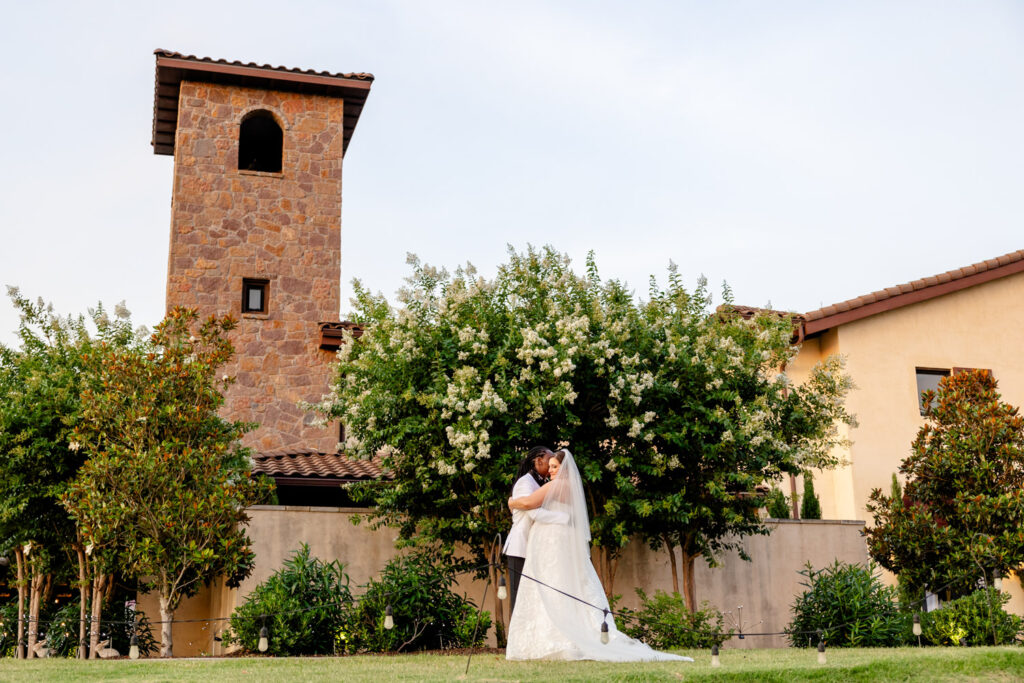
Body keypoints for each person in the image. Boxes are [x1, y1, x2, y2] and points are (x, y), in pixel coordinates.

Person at [505, 449, 692, 662]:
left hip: (553, 542)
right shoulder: (571, 488)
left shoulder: (555, 485)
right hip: (558, 543)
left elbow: (529, 504)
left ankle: (553, 638)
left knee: (551, 584)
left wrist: (511, 502)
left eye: (555, 467)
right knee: (563, 584)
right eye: (550, 468)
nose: (550, 471)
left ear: (564, 468)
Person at [502, 446, 565, 613]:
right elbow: (532, 511)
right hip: (521, 547)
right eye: (548, 462)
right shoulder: (525, 482)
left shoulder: (544, 483)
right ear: (538, 461)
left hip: (535, 548)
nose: (551, 465)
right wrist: (564, 518)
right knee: (519, 595)